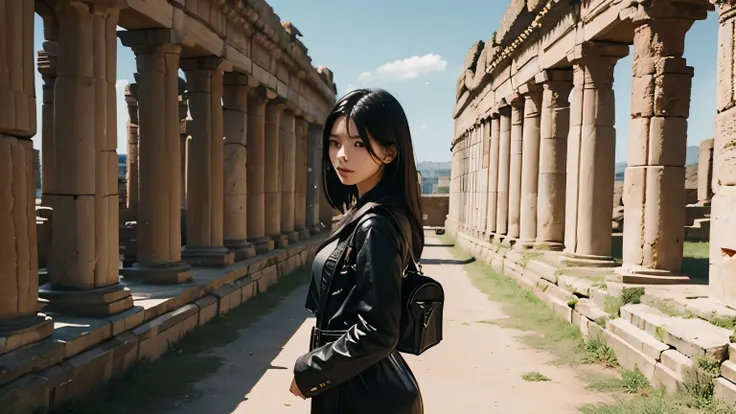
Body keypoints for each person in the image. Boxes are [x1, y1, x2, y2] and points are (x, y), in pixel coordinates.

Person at [289, 88, 425, 414]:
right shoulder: (373, 214)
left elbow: (378, 330)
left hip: (362, 394)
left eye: (358, 143)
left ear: (390, 152)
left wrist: (311, 371)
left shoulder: (376, 224)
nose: (341, 155)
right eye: (335, 142)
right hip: (357, 384)